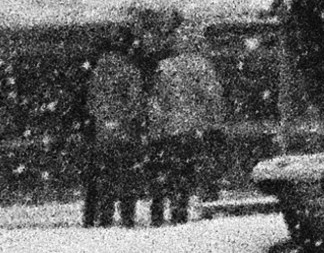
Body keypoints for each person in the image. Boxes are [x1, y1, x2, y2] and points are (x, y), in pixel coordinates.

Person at [147, 19, 227, 222]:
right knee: (196, 171)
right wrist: (214, 123)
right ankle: (192, 210)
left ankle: (165, 210)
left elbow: (156, 101)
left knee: (171, 171)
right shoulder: (202, 67)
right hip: (196, 128)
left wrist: (158, 127)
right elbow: (214, 97)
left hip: (171, 129)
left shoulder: (164, 67)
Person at [82, 28, 150, 230]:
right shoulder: (129, 70)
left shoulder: (98, 71)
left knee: (104, 174)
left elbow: (91, 102)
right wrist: (130, 119)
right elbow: (136, 102)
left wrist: (102, 119)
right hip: (125, 132)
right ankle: (127, 215)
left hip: (102, 132)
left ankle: (103, 215)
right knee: (127, 175)